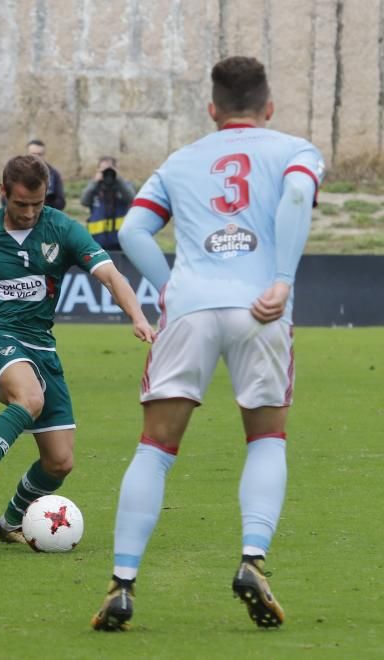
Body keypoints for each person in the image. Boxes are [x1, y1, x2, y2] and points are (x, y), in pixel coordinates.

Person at [90, 56, 324, 632]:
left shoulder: (180, 160)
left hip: (189, 308)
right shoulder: (296, 149)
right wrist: (283, 280)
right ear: (267, 107)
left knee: (155, 447)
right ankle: (251, 560)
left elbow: (132, 231)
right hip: (261, 308)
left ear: (213, 109)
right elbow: (296, 198)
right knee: (267, 437)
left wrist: (170, 288)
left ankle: (122, 585)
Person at [0, 154, 153, 543]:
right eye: (21, 204)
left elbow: (110, 275)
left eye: (39, 203)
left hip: (41, 346)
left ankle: (11, 522)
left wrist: (137, 316)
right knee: (28, 397)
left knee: (59, 462)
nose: (31, 212)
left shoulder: (62, 229)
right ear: (3, 193)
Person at [79, 156, 137, 250]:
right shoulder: (95, 186)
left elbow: (132, 199)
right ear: (98, 171)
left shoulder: (124, 185)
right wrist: (95, 182)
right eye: (103, 170)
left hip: (120, 240)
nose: (107, 173)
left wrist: (118, 179)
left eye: (110, 169)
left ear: (116, 170)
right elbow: (84, 201)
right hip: (97, 240)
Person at [25, 139, 66, 210]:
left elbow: (61, 203)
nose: (37, 157)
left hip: (46, 215)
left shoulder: (53, 174)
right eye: (33, 154)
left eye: (40, 154)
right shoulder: (16, 172)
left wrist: (44, 202)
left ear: (44, 155)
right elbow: (6, 200)